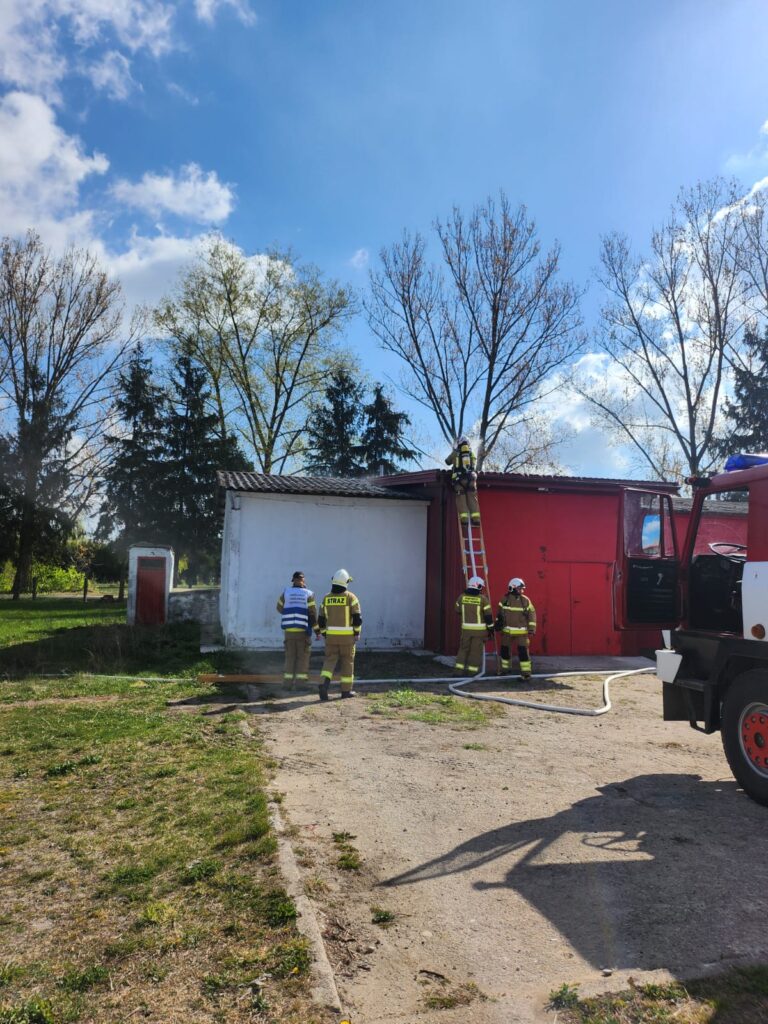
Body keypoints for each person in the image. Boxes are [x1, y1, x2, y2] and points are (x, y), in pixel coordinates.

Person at [317, 569, 362, 701]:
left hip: (331, 638)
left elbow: (321, 620)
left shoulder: (326, 598)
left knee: (329, 661)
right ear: (346, 582)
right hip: (347, 639)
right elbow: (357, 618)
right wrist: (357, 633)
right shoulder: (351, 598)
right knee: (347, 663)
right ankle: (346, 691)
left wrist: (325, 634)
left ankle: (323, 684)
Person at [276, 571, 317, 688]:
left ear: (292, 580)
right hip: (302, 632)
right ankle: (300, 685)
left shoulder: (286, 593)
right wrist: (317, 630)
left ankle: (287, 684)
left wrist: (289, 613)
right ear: (303, 581)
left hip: (289, 632)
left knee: (290, 658)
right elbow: (312, 613)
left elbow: (279, 607)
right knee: (302, 658)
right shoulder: (309, 594)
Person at [496, 577, 537, 679]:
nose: (521, 591)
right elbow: (499, 614)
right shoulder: (504, 599)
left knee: (523, 652)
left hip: (521, 632)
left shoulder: (525, 600)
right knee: (505, 651)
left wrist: (532, 629)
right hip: (507, 632)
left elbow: (532, 615)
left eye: (522, 589)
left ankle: (526, 673)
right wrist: (498, 623)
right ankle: (505, 670)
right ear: (512, 588)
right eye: (519, 589)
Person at [454, 575, 494, 676]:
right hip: (480, 632)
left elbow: (457, 610)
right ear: (478, 586)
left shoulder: (461, 597)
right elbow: (488, 617)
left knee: (463, 650)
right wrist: (491, 630)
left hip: (466, 630)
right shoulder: (483, 599)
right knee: (475, 652)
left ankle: (458, 671)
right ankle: (471, 673)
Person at [445, 436, 480, 524]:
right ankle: (476, 519)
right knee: (472, 498)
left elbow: (447, 461)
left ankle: (464, 520)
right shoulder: (471, 453)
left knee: (461, 498)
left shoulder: (456, 453)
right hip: (471, 479)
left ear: (459, 443)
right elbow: (474, 464)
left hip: (459, 480)